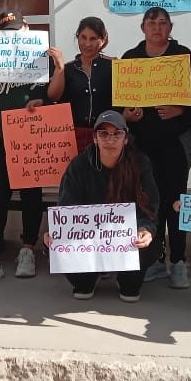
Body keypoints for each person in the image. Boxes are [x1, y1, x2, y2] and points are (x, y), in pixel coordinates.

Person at [0, 11, 64, 285]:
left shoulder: (41, 56)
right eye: (6, 31)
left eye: (16, 29)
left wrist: (60, 67)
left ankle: (28, 249)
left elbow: (54, 95)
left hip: (32, 134)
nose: (12, 35)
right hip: (1, 135)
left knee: (31, 195)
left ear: (26, 27)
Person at [121, 7, 191, 290]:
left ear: (170, 27)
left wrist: (181, 109)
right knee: (148, 200)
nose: (157, 28)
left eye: (162, 23)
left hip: (176, 142)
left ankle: (178, 261)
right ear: (142, 27)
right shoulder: (130, 59)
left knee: (175, 200)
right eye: (151, 23)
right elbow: (122, 103)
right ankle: (155, 258)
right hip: (142, 144)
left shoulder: (184, 58)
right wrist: (128, 116)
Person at [46, 111, 161, 302]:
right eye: (104, 134)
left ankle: (125, 279)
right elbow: (66, 206)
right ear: (95, 138)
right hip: (89, 239)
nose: (110, 140)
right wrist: (56, 233)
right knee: (80, 286)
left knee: (133, 287)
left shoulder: (140, 163)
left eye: (117, 134)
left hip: (126, 239)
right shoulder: (79, 166)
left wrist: (145, 230)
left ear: (125, 138)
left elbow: (150, 205)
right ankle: (91, 276)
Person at [47, 16, 114, 152]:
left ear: (103, 40)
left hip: (108, 136)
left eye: (93, 39)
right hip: (74, 138)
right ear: (77, 37)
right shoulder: (68, 69)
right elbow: (53, 97)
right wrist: (59, 68)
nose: (87, 44)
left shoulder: (114, 66)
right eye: (83, 37)